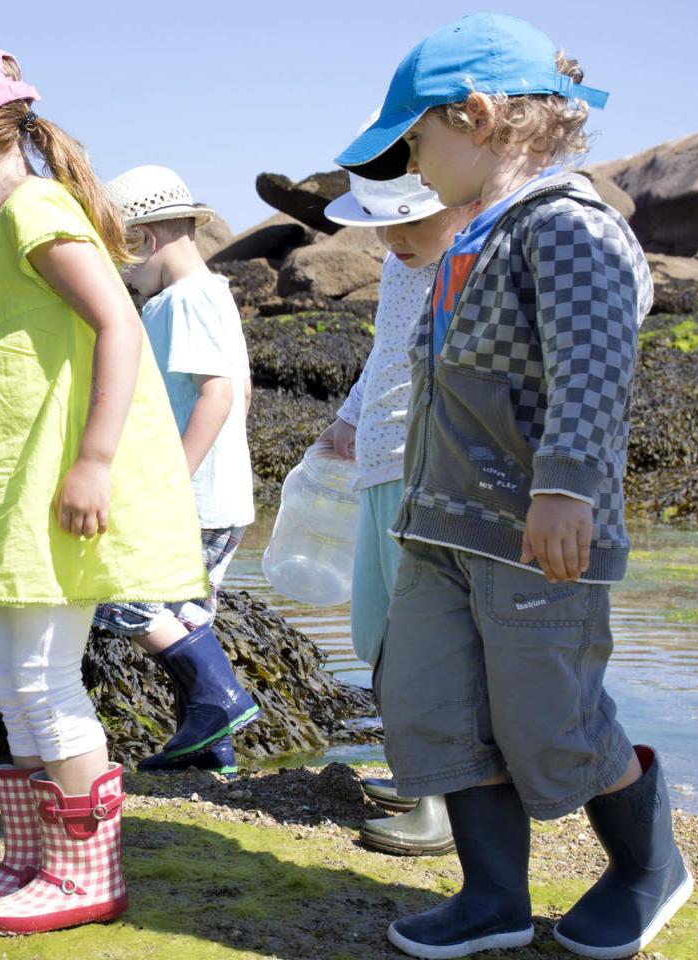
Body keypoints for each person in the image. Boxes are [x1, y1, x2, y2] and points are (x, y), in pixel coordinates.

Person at [336, 13, 687, 958]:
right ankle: (492, 895)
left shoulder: (568, 226)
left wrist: (567, 487)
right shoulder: (465, 240)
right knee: (432, 701)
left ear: (477, 116)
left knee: (547, 718)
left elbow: (595, 363)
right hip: (442, 526)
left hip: (536, 530)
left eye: (417, 137)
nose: (412, 158)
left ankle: (649, 868)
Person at [0, 42, 209, 935]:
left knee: (45, 679)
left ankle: (87, 872)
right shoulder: (10, 230)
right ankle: (35, 861)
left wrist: (94, 458)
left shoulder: (34, 214)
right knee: (16, 675)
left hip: (59, 497)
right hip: (24, 505)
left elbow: (118, 326)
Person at [316, 166, 474, 857]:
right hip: (381, 469)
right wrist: (348, 421)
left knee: (423, 639)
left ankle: (441, 802)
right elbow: (386, 357)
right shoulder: (398, 267)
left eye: (410, 220)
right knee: (377, 631)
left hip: (425, 471)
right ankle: (418, 774)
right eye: (383, 221)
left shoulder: (468, 268)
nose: (392, 236)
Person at [94, 165, 265, 776]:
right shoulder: (212, 295)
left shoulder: (182, 300)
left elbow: (218, 393)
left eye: (121, 260)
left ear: (142, 240)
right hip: (222, 495)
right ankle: (209, 748)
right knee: (188, 614)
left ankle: (220, 698)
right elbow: (242, 393)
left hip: (187, 496)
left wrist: (171, 479)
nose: (122, 275)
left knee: (118, 597)